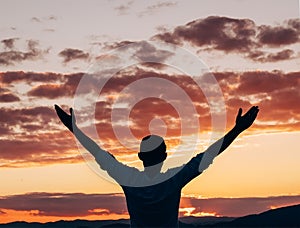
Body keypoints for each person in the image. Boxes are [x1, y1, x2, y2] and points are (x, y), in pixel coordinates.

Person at [55, 104, 259, 227]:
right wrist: (237, 130)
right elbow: (209, 154)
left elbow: (97, 152)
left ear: (140, 157)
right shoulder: (173, 179)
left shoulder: (130, 180)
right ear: (164, 156)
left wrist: (74, 129)